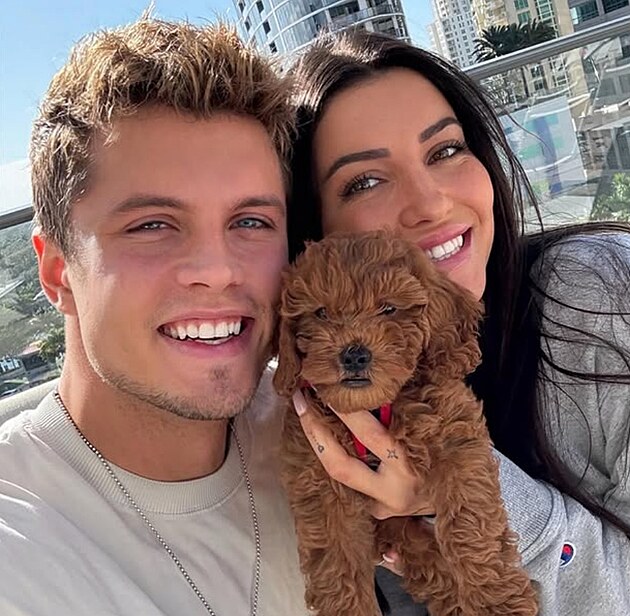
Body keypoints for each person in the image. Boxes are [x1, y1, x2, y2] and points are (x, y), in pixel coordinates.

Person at [286, 31, 630, 616]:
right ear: (314, 236)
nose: (430, 203)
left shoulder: (599, 297)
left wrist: (459, 496)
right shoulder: (318, 390)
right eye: (365, 182)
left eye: (445, 150)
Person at [0, 16, 310, 615]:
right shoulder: (19, 551)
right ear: (58, 272)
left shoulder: (324, 434)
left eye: (251, 222)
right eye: (152, 226)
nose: (217, 270)